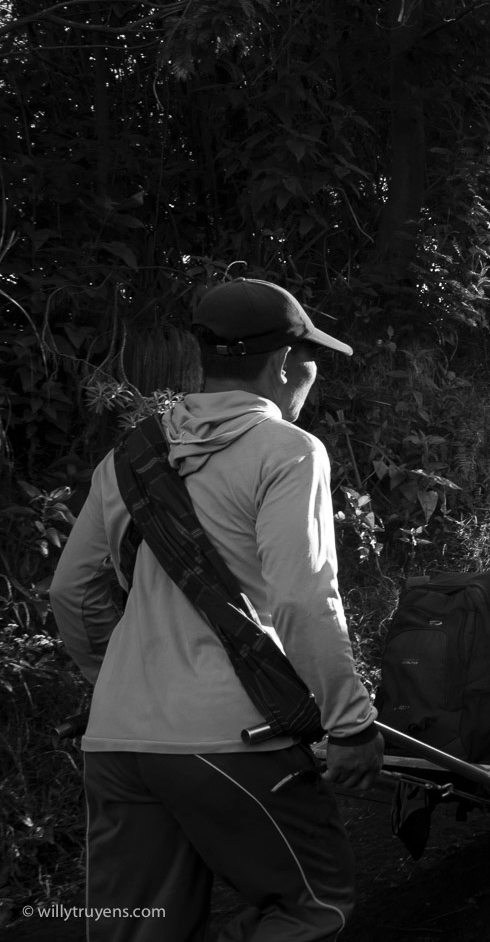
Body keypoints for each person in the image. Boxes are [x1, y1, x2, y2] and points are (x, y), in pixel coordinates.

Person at [51, 279, 383, 941]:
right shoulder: (287, 451)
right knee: (312, 905)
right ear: (284, 363)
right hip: (232, 738)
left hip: (116, 739)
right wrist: (350, 724)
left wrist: (116, 683)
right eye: (311, 358)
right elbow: (302, 597)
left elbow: (72, 590)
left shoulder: (128, 456)